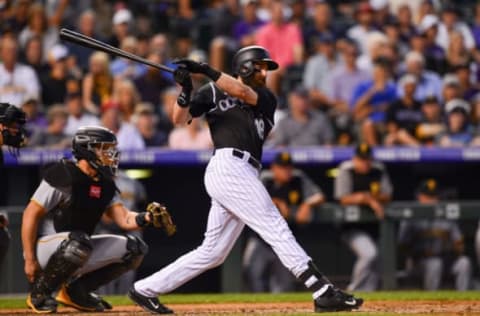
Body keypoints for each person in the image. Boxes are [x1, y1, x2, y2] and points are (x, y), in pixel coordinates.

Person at [128, 45, 363, 314]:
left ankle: (144, 289)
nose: (265, 72)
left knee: (213, 252)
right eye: (261, 66)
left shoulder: (266, 97)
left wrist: (204, 69)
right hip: (228, 166)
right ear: (245, 66)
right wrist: (185, 90)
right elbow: (179, 120)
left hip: (244, 171)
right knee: (274, 225)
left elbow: (240, 92)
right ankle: (322, 290)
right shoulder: (212, 91)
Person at [22, 126, 174, 313]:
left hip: (79, 247)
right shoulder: (64, 173)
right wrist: (29, 259)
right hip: (47, 247)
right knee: (78, 244)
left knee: (135, 249)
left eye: (110, 148)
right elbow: (31, 213)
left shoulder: (105, 182)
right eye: (103, 148)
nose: (109, 153)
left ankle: (77, 292)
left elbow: (124, 218)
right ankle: (40, 293)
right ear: (86, 149)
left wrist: (147, 217)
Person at [243, 151, 325, 292]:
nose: (287, 171)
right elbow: (251, 200)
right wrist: (276, 202)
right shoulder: (265, 178)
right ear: (274, 168)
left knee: (283, 285)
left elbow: (319, 196)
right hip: (261, 239)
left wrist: (307, 204)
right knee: (252, 274)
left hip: (284, 240)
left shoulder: (298, 178)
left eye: (288, 167)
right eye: (282, 168)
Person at [334, 143, 393, 291]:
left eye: (367, 159)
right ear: (355, 158)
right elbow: (342, 198)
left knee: (375, 264)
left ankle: (369, 298)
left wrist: (370, 198)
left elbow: (388, 195)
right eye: (361, 159)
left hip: (374, 227)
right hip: (352, 227)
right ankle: (353, 290)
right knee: (370, 254)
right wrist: (367, 199)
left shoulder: (378, 169)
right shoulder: (347, 169)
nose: (365, 163)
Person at [398, 179, 472, 290]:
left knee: (464, 263)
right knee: (435, 263)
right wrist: (419, 252)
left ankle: (464, 303)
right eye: (427, 197)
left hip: (445, 259)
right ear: (419, 197)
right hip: (418, 263)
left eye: (434, 197)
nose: (431, 201)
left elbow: (459, 243)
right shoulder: (411, 217)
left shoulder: (447, 216)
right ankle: (432, 302)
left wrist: (452, 250)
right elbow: (402, 246)